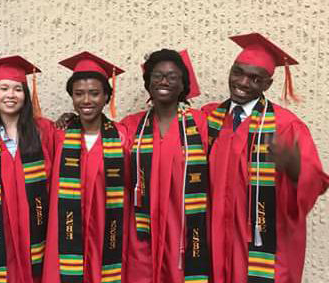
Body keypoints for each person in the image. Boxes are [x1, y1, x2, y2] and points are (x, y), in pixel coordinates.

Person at [203, 33, 329, 283]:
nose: (242, 82)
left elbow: (314, 183)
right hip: (214, 241)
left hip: (262, 250)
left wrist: (296, 170)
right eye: (237, 72)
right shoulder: (208, 119)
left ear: (267, 85)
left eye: (254, 78)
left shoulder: (286, 126)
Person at [121, 49, 211, 283]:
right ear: (148, 83)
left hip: (184, 229)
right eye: (157, 76)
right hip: (141, 229)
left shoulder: (200, 123)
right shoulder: (131, 126)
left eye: (172, 77)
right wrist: (75, 119)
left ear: (183, 85)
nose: (164, 81)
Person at [42, 51, 129, 283]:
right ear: (71, 97)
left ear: (107, 97)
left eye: (94, 93)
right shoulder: (58, 134)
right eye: (79, 94)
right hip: (65, 228)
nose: (87, 100)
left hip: (106, 228)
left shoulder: (122, 137)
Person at [0, 56, 55, 283]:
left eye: (18, 89)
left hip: (36, 228)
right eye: (4, 88)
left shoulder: (44, 131)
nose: (10, 95)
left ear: (26, 96)